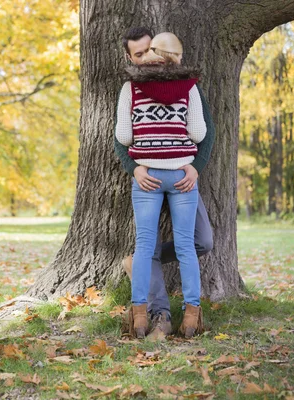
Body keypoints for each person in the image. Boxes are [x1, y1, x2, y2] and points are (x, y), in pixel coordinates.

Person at [115, 27, 215, 340]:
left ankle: (140, 319)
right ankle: (190, 319)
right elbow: (199, 133)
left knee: (145, 247)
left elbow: (124, 137)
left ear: (156, 53)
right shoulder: (189, 87)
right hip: (181, 175)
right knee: (186, 247)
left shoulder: (131, 88)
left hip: (149, 177)